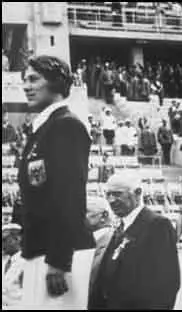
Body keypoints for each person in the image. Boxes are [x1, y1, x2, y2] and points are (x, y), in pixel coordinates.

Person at [18, 55, 95, 308]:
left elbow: (69, 196)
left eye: (33, 79)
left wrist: (59, 261)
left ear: (56, 81)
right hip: (40, 251)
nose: (26, 86)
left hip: (59, 255)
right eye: (24, 80)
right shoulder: (43, 129)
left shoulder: (66, 126)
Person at [88, 172, 180, 309]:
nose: (111, 200)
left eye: (117, 194)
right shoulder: (120, 227)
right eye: (108, 194)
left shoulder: (157, 225)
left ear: (137, 193)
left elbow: (166, 283)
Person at [2, 223, 24, 307]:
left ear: (17, 239)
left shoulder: (25, 263)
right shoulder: (5, 262)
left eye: (4, 240)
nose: (2, 244)